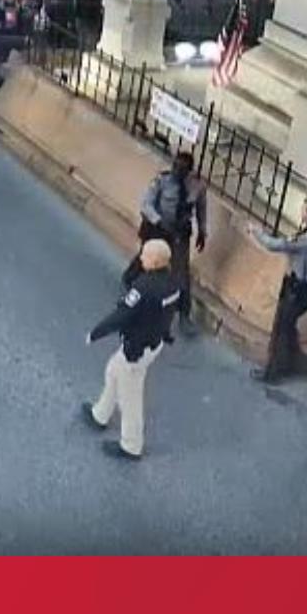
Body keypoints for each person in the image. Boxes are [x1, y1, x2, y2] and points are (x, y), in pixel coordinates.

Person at [82, 239, 180, 460]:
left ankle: (131, 445)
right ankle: (100, 414)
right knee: (113, 371)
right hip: (154, 344)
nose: (141, 257)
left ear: (154, 261)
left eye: (144, 255)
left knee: (130, 397)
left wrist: (95, 333)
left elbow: (122, 315)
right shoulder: (174, 283)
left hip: (136, 348)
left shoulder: (144, 287)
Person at [250, 198, 307, 384]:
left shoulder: (306, 239)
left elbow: (275, 245)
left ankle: (273, 373)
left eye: (304, 210)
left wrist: (256, 232)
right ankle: (294, 361)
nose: (301, 212)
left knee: (281, 328)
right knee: (289, 325)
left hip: (297, 288)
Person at [124, 151, 207, 329]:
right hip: (160, 227)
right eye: (175, 166)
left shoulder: (197, 187)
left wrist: (202, 232)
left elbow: (201, 210)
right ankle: (131, 277)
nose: (177, 170)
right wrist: (159, 221)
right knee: (147, 258)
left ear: (189, 171)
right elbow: (146, 204)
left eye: (182, 168)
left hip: (180, 233)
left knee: (181, 272)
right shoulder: (162, 181)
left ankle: (184, 314)